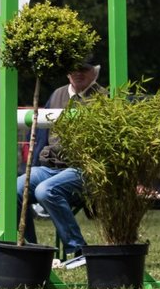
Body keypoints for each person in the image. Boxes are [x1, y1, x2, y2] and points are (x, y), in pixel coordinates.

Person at [16, 58, 106, 261]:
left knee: (46, 190)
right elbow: (39, 137)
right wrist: (31, 167)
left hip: (84, 169)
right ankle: (29, 248)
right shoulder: (57, 94)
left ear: (95, 72)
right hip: (50, 167)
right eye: (72, 69)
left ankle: (77, 249)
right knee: (14, 189)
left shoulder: (103, 97)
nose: (78, 73)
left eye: (84, 69)